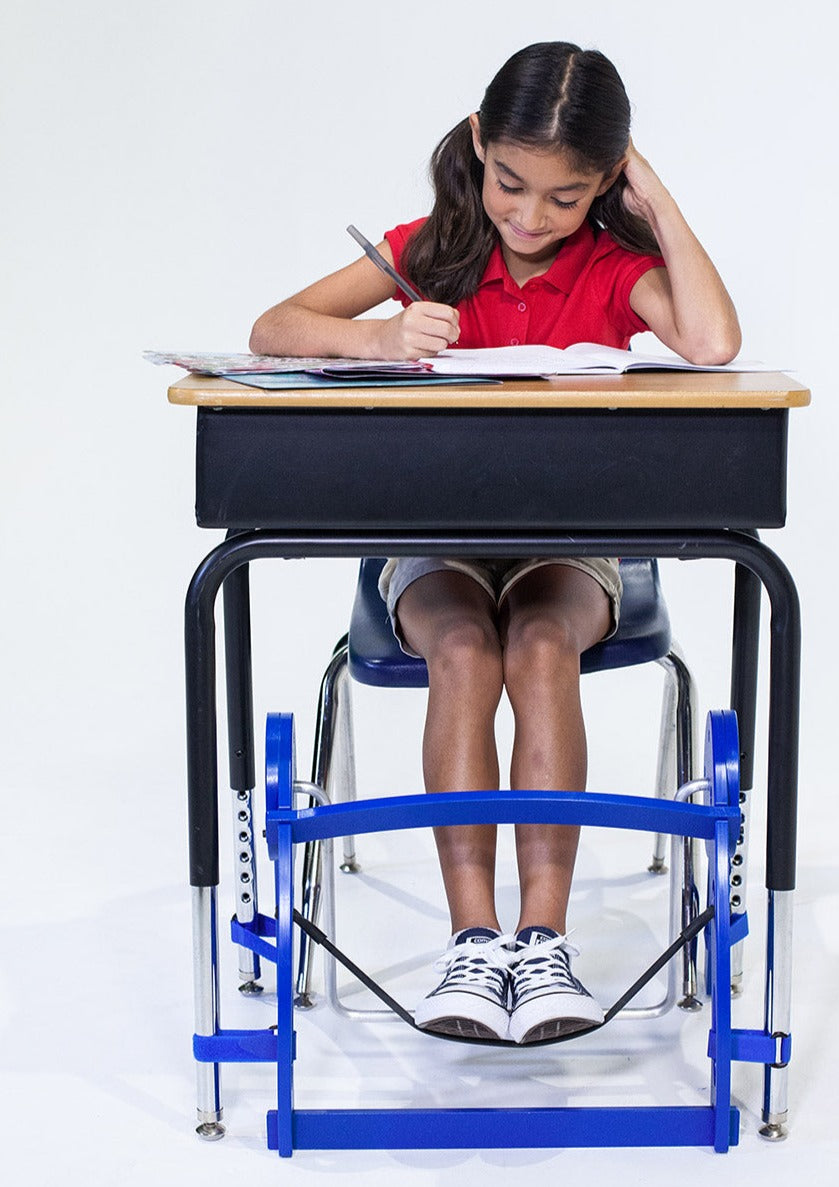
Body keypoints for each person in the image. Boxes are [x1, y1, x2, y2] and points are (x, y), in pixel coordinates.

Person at [251, 41, 740, 1044]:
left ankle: (539, 941)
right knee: (467, 649)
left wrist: (653, 194)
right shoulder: (431, 246)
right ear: (478, 143)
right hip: (435, 541)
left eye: (566, 196)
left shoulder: (615, 267)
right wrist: (378, 339)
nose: (528, 215)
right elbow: (274, 326)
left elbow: (711, 344)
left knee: (540, 643)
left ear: (606, 182)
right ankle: (472, 942)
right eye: (510, 182)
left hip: (568, 545)